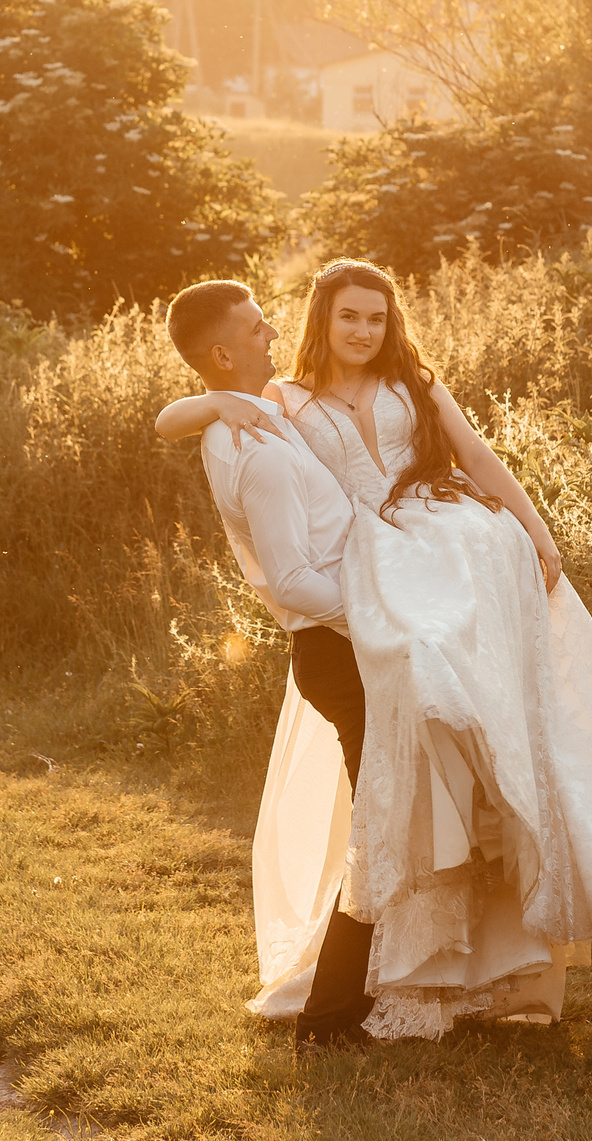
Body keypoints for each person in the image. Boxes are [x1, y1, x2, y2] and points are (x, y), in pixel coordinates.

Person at [160, 259, 592, 1040]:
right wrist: (219, 394)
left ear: (391, 321)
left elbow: (477, 455)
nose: (363, 330)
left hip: (455, 562)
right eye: (348, 317)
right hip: (383, 578)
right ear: (321, 322)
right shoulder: (283, 403)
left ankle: (490, 963)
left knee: (496, 757)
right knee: (412, 798)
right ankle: (388, 983)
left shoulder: (417, 385)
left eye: (376, 316)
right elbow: (176, 418)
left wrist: (537, 531)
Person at [164, 277, 378, 1048]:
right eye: (258, 326)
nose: (273, 330)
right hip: (341, 651)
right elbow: (292, 582)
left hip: (348, 646)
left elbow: (168, 415)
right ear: (223, 350)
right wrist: (386, 617)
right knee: (381, 823)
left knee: (390, 815)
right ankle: (327, 1016)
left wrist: (213, 399)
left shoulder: (262, 413)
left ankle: (390, 983)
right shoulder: (256, 453)